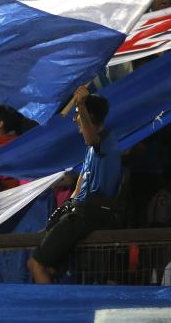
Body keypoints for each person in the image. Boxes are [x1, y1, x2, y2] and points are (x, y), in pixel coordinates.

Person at [28, 85, 122, 284]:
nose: (74, 119)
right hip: (79, 211)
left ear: (90, 116)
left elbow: (91, 138)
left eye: (77, 114)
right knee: (53, 268)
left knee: (36, 264)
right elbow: (80, 184)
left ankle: (52, 311)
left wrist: (80, 102)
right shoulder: (93, 149)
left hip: (89, 214)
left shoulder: (103, 141)